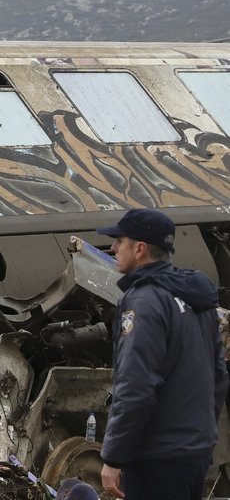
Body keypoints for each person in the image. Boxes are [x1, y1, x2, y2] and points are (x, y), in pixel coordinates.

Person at [97, 208, 228, 500]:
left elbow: (136, 384)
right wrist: (198, 436)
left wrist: (113, 456)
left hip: (156, 458)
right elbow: (218, 376)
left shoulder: (144, 301)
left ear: (140, 249)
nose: (113, 248)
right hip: (194, 453)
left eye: (120, 241)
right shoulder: (197, 299)